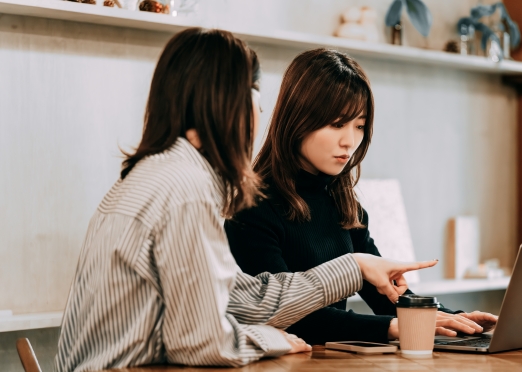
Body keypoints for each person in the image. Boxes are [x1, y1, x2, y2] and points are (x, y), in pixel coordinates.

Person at [53, 29, 437, 372]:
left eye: (358, 125)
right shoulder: (184, 190)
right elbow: (200, 342)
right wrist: (272, 339)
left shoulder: (162, 176)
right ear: (228, 104)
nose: (261, 114)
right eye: (256, 100)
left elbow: (246, 299)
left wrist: (355, 266)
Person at [225, 48, 498, 345]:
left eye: (359, 125)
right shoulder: (250, 209)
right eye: (337, 123)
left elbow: (388, 295)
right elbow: (283, 316)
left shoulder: (345, 206)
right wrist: (391, 328)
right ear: (298, 118)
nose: (350, 141)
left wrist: (455, 319)